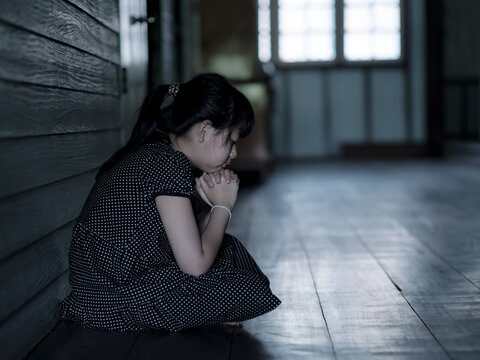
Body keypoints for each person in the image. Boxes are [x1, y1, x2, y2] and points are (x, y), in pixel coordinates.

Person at [59, 73, 281, 332]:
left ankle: (207, 308)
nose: (233, 153)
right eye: (231, 141)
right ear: (204, 130)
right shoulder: (167, 163)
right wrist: (223, 207)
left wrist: (209, 206)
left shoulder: (160, 152)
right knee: (249, 288)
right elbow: (195, 266)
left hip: (114, 287)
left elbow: (186, 244)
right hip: (111, 298)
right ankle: (207, 310)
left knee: (228, 251)